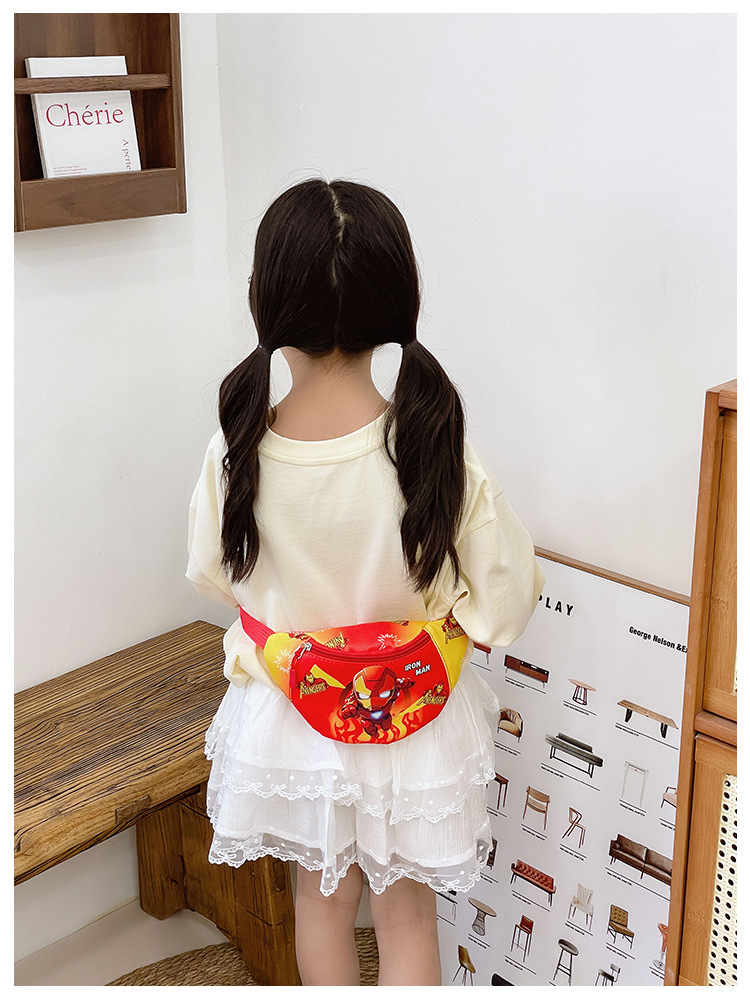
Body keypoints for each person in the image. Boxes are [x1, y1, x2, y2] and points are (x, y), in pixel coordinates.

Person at [186, 178, 544, 986]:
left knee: (321, 906)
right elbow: (504, 604)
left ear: (263, 297)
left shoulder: (236, 449)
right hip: (413, 722)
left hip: (292, 719)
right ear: (401, 295)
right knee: (408, 916)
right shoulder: (433, 445)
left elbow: (211, 574)